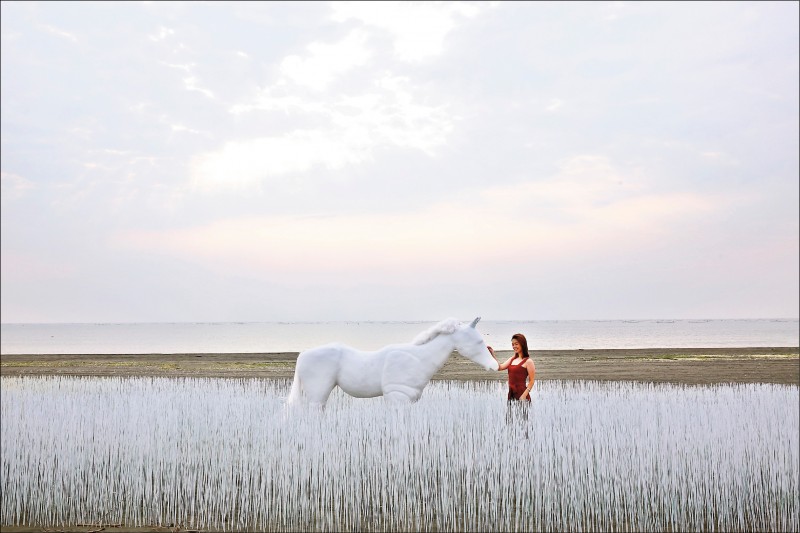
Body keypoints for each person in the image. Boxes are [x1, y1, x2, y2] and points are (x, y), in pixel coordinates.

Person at [488, 333, 536, 401]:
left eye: (516, 344)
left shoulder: (528, 361)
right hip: (511, 394)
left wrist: (523, 396)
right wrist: (492, 354)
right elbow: (500, 367)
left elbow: (531, 381)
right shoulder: (512, 359)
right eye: (513, 344)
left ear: (522, 344)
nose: (514, 346)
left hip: (522, 396)